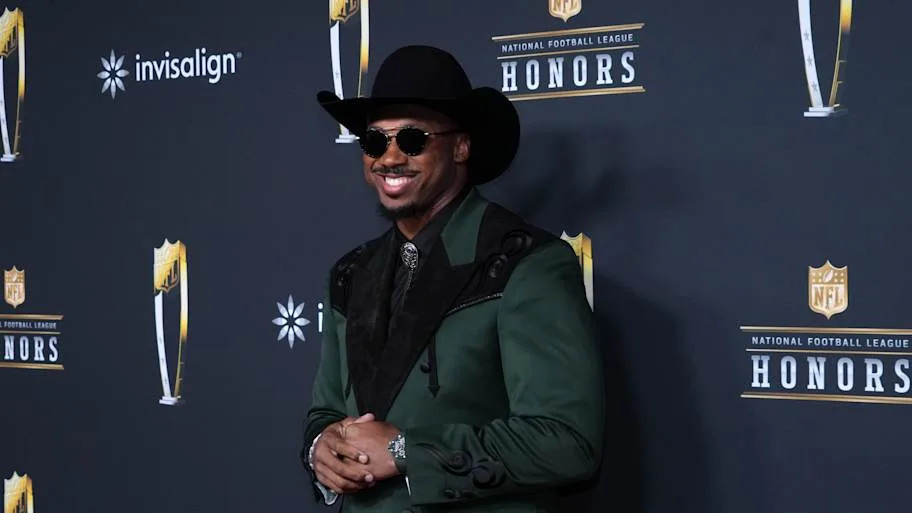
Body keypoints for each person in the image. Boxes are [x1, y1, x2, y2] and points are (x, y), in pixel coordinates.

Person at [301, 44, 605, 513]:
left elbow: (566, 441)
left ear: (461, 146)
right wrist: (319, 446)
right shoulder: (350, 274)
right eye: (374, 141)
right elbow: (327, 411)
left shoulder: (529, 264)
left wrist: (405, 452)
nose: (389, 157)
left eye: (414, 139)